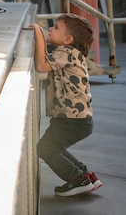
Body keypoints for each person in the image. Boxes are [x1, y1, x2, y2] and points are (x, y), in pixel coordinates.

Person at [33, 12, 101, 197]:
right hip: (79, 119)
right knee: (54, 147)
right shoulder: (72, 53)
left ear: (68, 39)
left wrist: (39, 35)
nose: (50, 29)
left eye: (56, 28)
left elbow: (41, 65)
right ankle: (85, 176)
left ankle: (77, 179)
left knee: (45, 148)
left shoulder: (66, 52)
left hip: (70, 119)